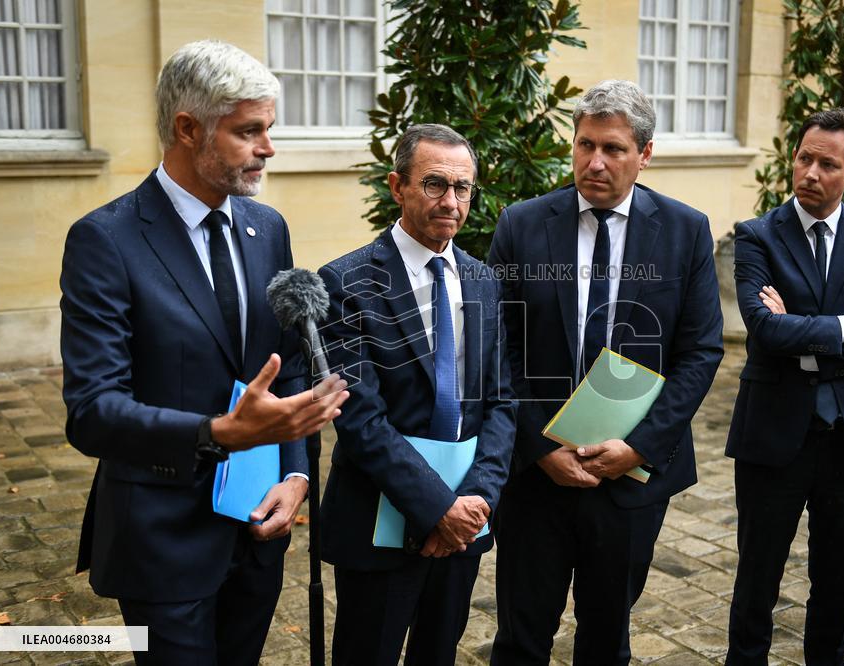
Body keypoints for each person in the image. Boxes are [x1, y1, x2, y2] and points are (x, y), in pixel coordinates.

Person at [59, 40, 349, 665]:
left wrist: (295, 474)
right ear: (188, 129)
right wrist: (218, 433)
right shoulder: (104, 241)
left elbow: (287, 365)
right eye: (249, 132)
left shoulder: (264, 226)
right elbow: (91, 411)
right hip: (162, 540)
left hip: (255, 528)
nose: (268, 149)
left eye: (268, 129)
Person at [488, 80, 724, 665]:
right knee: (520, 638)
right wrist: (541, 445)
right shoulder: (521, 225)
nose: (594, 162)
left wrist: (639, 447)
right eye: (585, 145)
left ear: (645, 154)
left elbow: (701, 352)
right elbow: (497, 348)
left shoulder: (686, 230)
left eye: (613, 149)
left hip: (630, 478)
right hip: (536, 475)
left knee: (605, 639)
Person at [317, 123, 517, 666]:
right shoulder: (346, 283)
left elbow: (501, 401)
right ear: (397, 185)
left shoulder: (483, 280)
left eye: (463, 188)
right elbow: (359, 420)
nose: (451, 201)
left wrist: (476, 501)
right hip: (379, 523)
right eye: (434, 184)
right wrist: (436, 509)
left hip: (464, 525)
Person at [724, 108, 844, 663]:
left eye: (826, 163)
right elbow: (763, 328)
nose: (809, 171)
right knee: (757, 578)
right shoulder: (757, 235)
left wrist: (800, 333)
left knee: (837, 584)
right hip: (772, 435)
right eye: (804, 157)